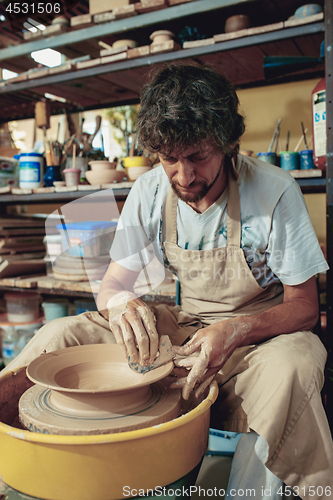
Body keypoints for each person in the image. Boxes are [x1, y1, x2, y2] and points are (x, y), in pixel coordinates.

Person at [3, 64, 332, 499]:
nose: (183, 175)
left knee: (293, 368)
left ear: (228, 144)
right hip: (186, 326)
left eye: (197, 156)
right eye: (168, 158)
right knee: (61, 333)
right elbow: (114, 282)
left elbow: (306, 307)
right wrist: (121, 303)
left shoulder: (273, 190)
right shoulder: (150, 190)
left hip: (262, 335)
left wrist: (238, 329)